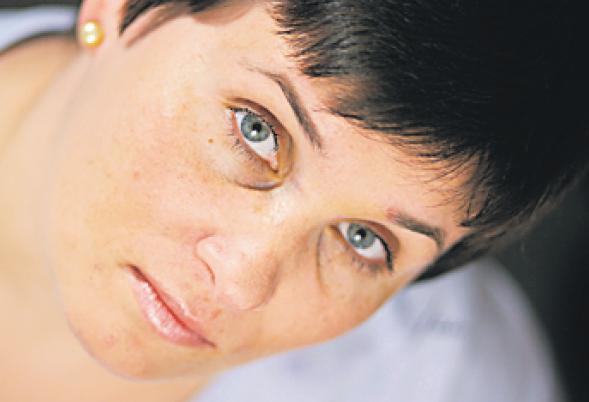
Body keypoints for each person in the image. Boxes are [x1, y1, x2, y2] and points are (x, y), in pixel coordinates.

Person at [0, 1, 586, 401]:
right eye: (257, 129)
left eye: (363, 240)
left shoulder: (448, 381)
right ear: (117, 7)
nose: (240, 284)